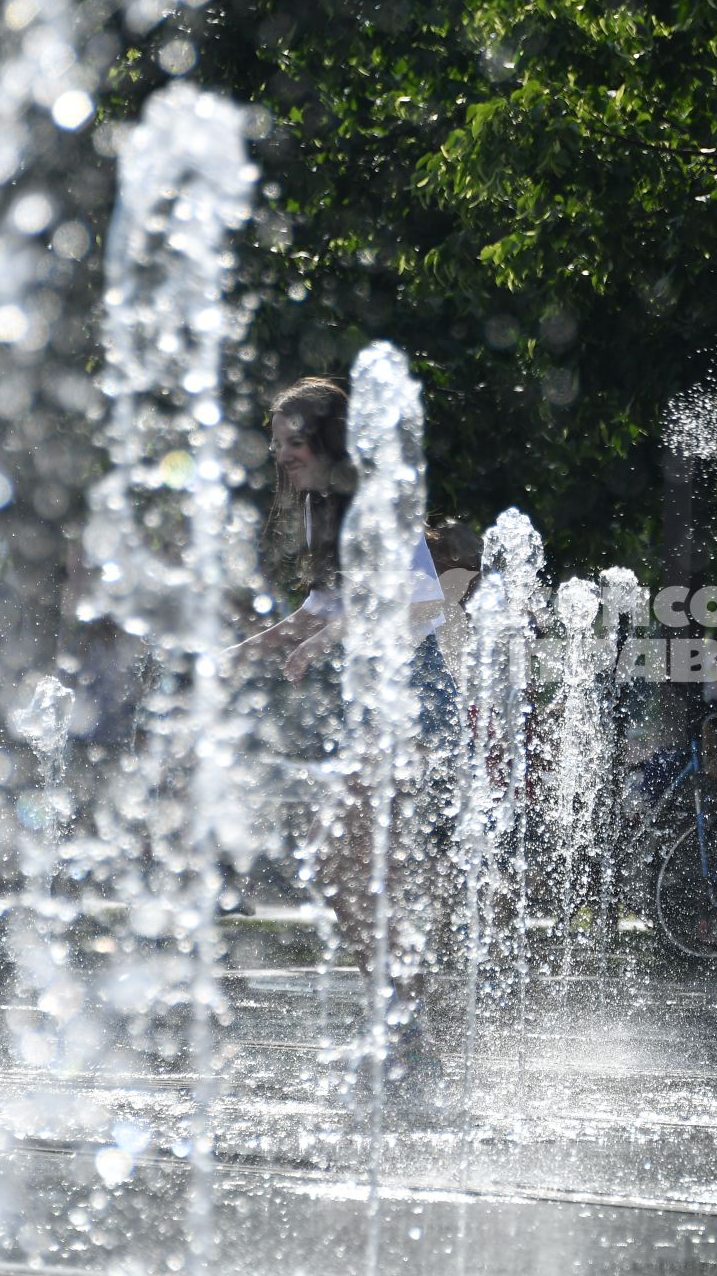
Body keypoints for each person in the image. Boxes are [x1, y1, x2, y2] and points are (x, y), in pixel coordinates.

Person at [229, 377, 459, 991]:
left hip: (415, 704)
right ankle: (398, 1003)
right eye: (276, 445)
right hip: (376, 711)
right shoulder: (321, 511)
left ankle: (410, 1003)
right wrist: (236, 655)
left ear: (328, 440)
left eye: (293, 442)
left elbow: (422, 605)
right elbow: (320, 609)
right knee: (340, 862)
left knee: (355, 856)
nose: (282, 456)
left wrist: (326, 640)